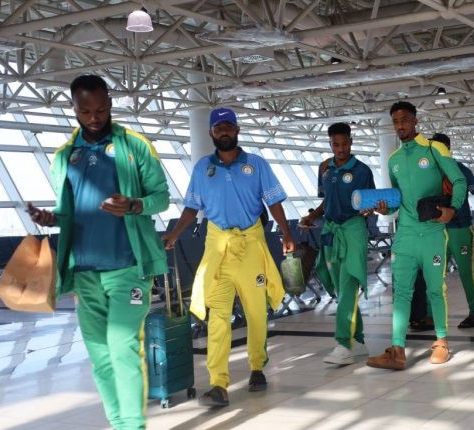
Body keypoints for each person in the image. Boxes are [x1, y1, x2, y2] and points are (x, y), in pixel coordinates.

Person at [28, 74, 170, 429]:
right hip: (85, 272)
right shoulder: (65, 156)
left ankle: (132, 426)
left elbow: (161, 197)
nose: (94, 118)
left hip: (128, 267)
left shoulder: (135, 146)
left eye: (101, 109)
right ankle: (118, 423)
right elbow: (70, 210)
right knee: (101, 356)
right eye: (86, 111)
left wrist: (134, 205)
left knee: (123, 347)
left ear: (110, 104)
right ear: (73, 109)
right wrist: (51, 217)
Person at [162, 107, 295, 407]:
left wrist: (286, 233)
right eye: (218, 127)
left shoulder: (256, 164)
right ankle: (218, 383)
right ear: (211, 132)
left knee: (256, 312)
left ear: (237, 130)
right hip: (218, 249)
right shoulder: (202, 168)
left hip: (250, 246)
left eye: (228, 126)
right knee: (218, 316)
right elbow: (191, 207)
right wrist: (175, 234)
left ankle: (257, 367)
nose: (224, 131)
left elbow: (274, 202)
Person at [365, 101, 467, 370]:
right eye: (396, 121)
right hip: (406, 235)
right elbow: (399, 200)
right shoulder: (394, 160)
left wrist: (452, 209)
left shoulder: (434, 149)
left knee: (435, 289)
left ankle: (442, 342)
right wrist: (386, 208)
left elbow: (459, 180)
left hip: (433, 233)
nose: (400, 126)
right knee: (401, 292)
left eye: (405, 120)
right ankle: (397, 350)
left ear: (415, 120)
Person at [300, 122, 375, 365]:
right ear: (330, 144)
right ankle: (358, 340)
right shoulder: (325, 168)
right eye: (336, 144)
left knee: (349, 284)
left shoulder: (362, 171)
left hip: (352, 231)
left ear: (351, 142)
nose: (341, 149)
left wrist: (369, 208)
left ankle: (344, 344)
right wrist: (313, 216)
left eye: (344, 144)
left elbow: (370, 202)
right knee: (339, 288)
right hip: (331, 230)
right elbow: (327, 201)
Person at [431, 132, 474, 328]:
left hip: (459, 229)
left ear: (448, 149)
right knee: (435, 273)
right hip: (436, 231)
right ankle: (432, 315)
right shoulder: (429, 171)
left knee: (466, 272)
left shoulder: (461, 170)